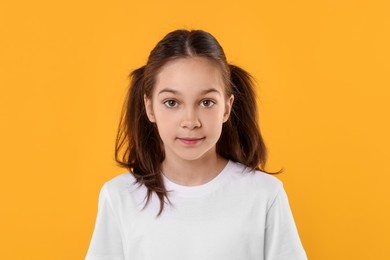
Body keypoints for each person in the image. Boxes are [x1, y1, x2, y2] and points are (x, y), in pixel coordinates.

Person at [85, 29, 308, 260]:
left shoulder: (265, 195)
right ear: (150, 107)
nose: (190, 121)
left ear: (227, 107)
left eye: (206, 102)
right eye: (172, 102)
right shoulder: (120, 197)